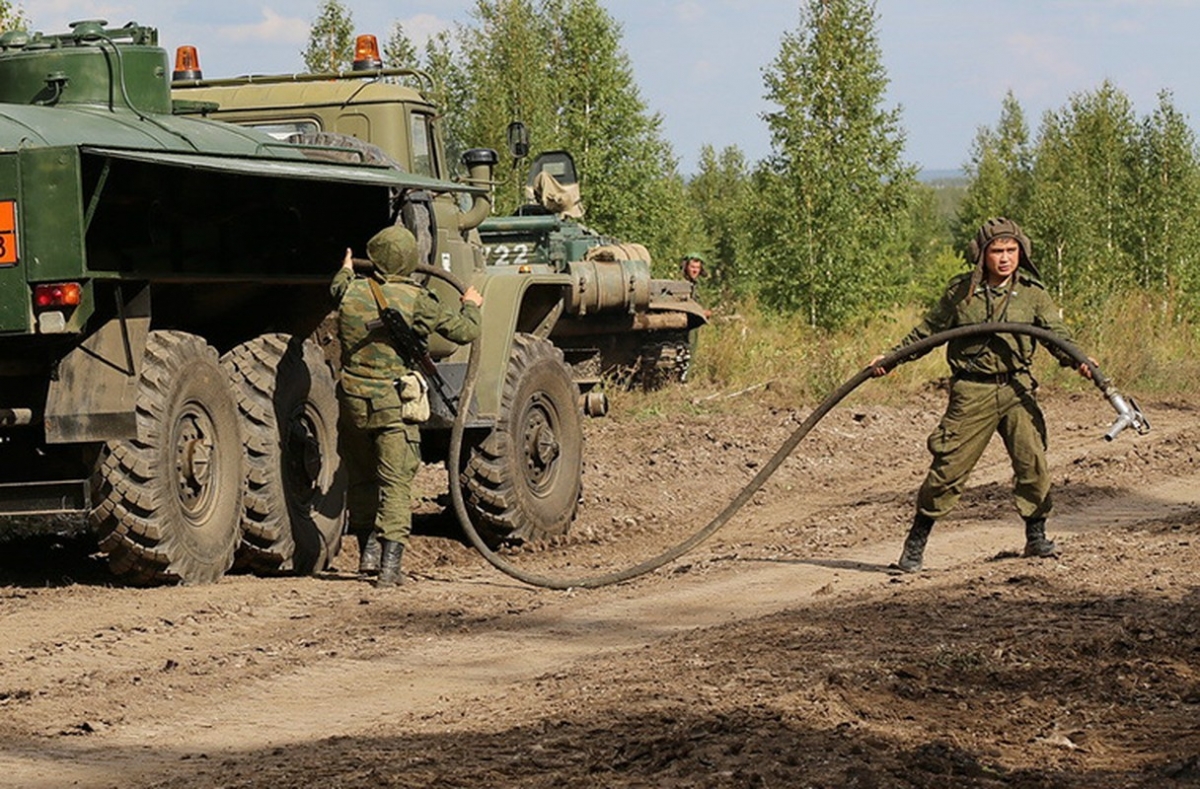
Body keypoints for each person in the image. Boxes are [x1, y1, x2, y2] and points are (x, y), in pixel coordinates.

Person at [869, 217, 1095, 573]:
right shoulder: (961, 292)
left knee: (1032, 464)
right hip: (972, 390)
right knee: (947, 471)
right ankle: (916, 543)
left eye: (1011, 250)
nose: (1005, 258)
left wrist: (1079, 359)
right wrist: (892, 358)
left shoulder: (1034, 293)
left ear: (1021, 251)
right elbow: (927, 332)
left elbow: (1057, 334)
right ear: (981, 254)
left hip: (1018, 388)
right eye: (997, 251)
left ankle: (1036, 537)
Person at [332, 225, 483, 587]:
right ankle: (389, 568)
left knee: (362, 477)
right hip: (391, 405)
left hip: (352, 401)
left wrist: (347, 266)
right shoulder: (417, 300)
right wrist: (472, 307)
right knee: (396, 482)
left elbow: (338, 283)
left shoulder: (349, 291)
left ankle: (367, 555)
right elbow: (464, 332)